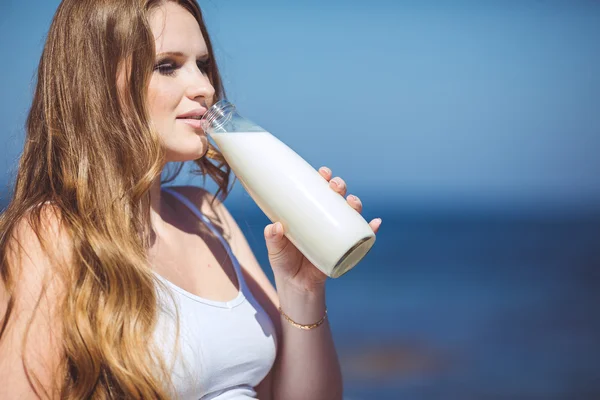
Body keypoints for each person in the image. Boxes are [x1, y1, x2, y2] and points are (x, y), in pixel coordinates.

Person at [0, 0, 382, 399]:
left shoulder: (208, 214)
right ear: (94, 83)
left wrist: (302, 288)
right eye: (167, 66)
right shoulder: (51, 236)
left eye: (203, 65)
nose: (204, 87)